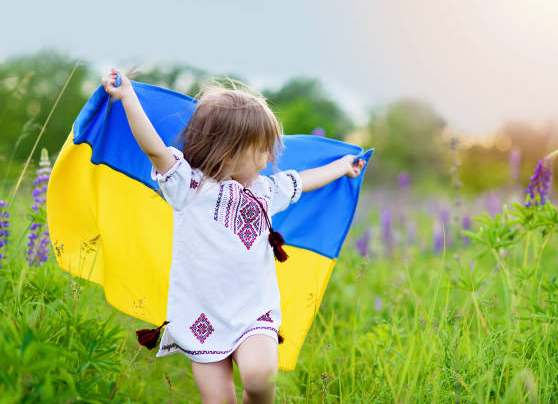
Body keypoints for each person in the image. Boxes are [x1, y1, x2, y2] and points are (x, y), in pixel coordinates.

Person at [101, 68, 366, 404]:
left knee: (258, 379)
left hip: (254, 312)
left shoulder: (265, 191)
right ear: (230, 153)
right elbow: (154, 149)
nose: (271, 158)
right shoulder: (189, 187)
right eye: (263, 149)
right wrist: (128, 98)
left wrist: (342, 167)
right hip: (202, 317)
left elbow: (303, 180)